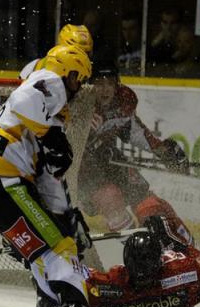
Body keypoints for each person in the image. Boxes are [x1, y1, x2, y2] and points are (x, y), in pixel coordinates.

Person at [0, 44, 115, 307]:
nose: (77, 89)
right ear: (67, 72)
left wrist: (63, 215)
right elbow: (26, 96)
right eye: (78, 79)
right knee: (58, 247)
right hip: (3, 183)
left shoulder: (45, 118)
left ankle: (51, 303)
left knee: (43, 249)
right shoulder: (48, 83)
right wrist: (50, 136)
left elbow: (49, 181)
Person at [77, 62, 192, 244]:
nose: (105, 89)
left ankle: (184, 244)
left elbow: (132, 131)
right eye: (99, 83)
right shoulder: (80, 104)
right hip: (83, 171)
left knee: (145, 200)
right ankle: (142, 251)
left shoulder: (124, 99)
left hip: (109, 156)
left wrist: (161, 150)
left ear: (117, 84)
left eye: (110, 83)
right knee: (110, 197)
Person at [86, 217, 200, 307]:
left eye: (146, 270)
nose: (142, 278)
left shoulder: (113, 284)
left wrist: (170, 237)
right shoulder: (181, 270)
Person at [19, 24, 93, 80]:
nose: (83, 59)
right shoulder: (33, 67)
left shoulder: (90, 73)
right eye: (76, 53)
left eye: (86, 54)